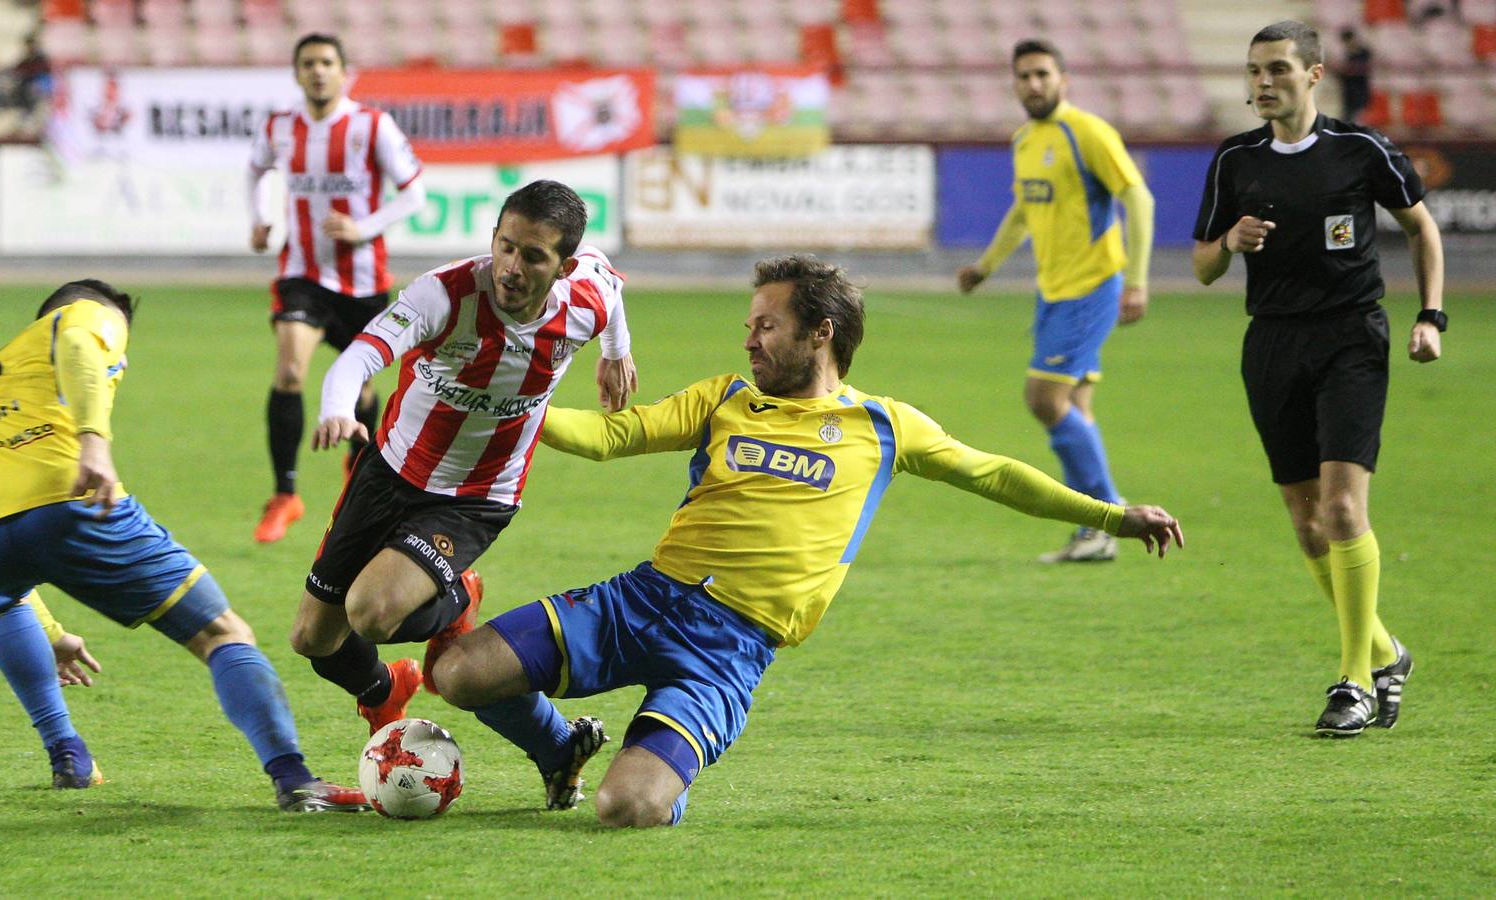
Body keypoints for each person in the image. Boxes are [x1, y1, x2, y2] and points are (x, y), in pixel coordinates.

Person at [430, 255, 1184, 827]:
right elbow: (609, 436)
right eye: (750, 325)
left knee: (626, 807)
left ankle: (650, 773)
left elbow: (994, 474)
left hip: (726, 650)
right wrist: (503, 401)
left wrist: (1113, 515)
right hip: (642, 600)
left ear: (821, 333)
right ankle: (559, 749)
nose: (749, 340)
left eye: (766, 325)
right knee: (457, 672)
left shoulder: (884, 426)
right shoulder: (726, 398)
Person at [0, 279, 367, 811]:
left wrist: (52, 634)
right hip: (68, 500)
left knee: (7, 600)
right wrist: (94, 441)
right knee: (223, 634)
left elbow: (4, 525)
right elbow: (79, 343)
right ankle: (293, 779)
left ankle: (68, 753)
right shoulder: (88, 315)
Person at [289, 179, 638, 741]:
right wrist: (336, 409)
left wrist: (616, 353)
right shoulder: (444, 296)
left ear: (564, 267)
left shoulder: (583, 301)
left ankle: (457, 596)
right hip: (390, 470)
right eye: (505, 246)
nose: (511, 268)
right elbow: (358, 357)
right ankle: (383, 690)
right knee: (314, 639)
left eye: (533, 256)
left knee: (371, 613)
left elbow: (611, 290)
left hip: (477, 495)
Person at [1191, 21, 1444, 737]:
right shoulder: (1235, 158)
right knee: (1306, 525)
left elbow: (1421, 228)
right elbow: (1203, 265)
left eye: (1277, 68)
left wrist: (1431, 316)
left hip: (1350, 337)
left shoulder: (1361, 149)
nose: (1262, 82)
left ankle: (1354, 682)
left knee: (1340, 510)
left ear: (1314, 74)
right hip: (1272, 343)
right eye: (1253, 70)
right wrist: (1229, 242)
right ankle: (1387, 653)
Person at [955, 39, 1155, 563]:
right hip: (1052, 293)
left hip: (1092, 287)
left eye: (1042, 74)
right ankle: (1093, 532)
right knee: (1075, 406)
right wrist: (985, 267)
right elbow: (1023, 211)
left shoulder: (1086, 132)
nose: (1033, 84)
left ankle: (1111, 512)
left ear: (1064, 80)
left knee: (1043, 398)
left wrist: (1137, 281)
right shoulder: (1025, 140)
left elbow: (1138, 197)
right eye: (1024, 76)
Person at [248, 33, 428, 543]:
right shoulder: (280, 126)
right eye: (308, 63)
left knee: (362, 387)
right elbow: (255, 170)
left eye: (327, 62)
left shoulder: (372, 125)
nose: (318, 70)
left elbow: (414, 194)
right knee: (289, 370)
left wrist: (362, 227)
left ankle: (356, 461)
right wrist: (260, 218)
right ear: (297, 73)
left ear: (344, 72)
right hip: (302, 273)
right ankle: (285, 494)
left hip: (362, 280)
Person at [1334, 28, 1373, 123]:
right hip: (1348, 91)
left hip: (1361, 90)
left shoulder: (1364, 53)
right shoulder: (1346, 55)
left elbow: (1366, 68)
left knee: (1361, 115)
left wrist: (1350, 69)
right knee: (1347, 115)